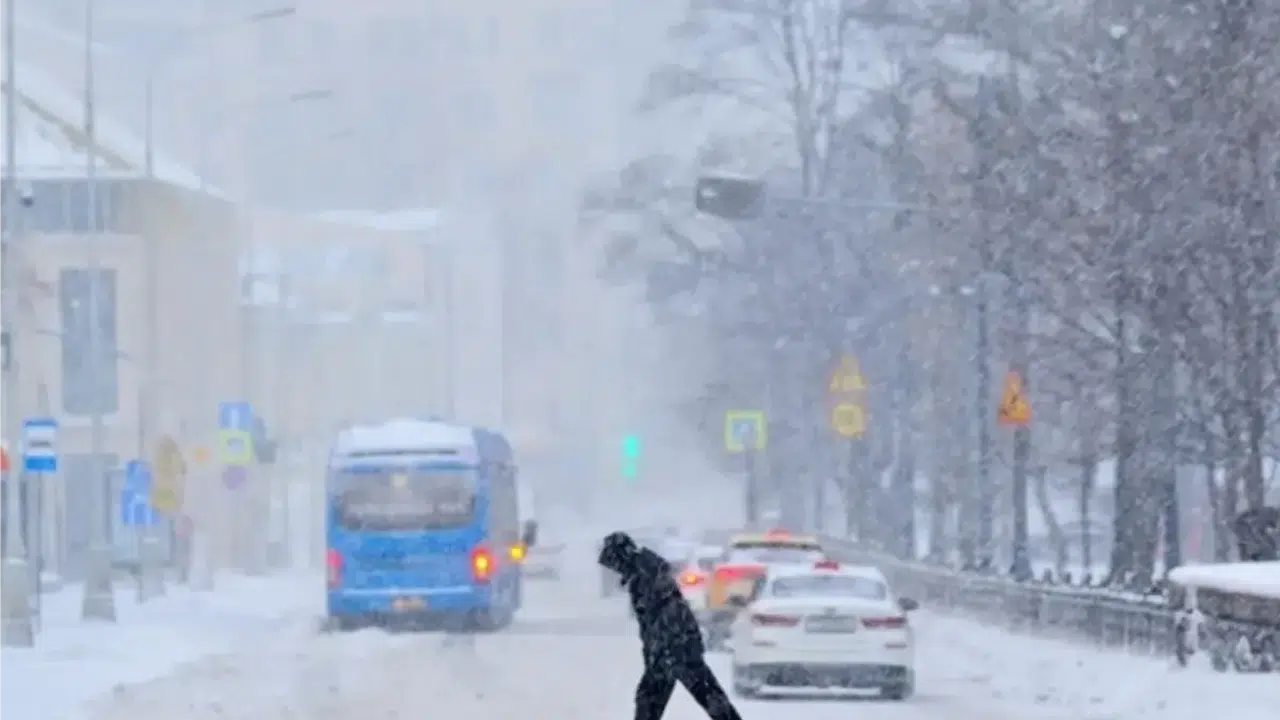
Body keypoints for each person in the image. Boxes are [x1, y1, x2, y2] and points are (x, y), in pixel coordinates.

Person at [598, 531, 746, 720]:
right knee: (705, 697)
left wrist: (665, 652)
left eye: (614, 563)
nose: (615, 570)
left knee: (703, 697)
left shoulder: (648, 575)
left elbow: (667, 614)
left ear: (622, 557)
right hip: (671, 650)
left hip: (674, 650)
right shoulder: (644, 571)